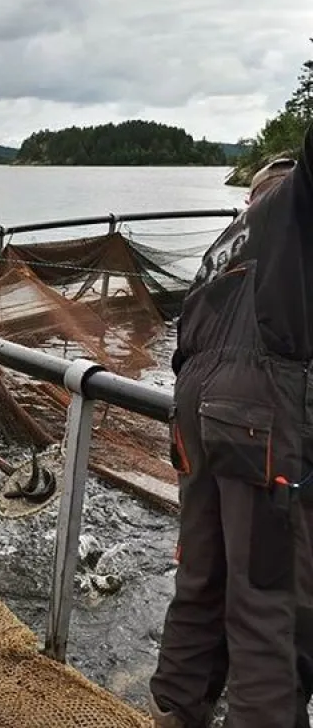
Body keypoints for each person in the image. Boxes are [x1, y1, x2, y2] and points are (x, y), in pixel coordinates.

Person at [149, 133, 313, 727]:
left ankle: (176, 709)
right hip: (257, 428)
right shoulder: (295, 210)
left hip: (195, 420)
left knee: (201, 575)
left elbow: (183, 349)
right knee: (268, 600)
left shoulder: (222, 246)